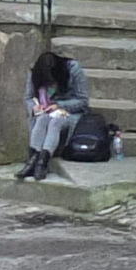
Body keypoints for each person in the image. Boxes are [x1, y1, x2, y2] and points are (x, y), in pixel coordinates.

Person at [21, 43, 84, 182]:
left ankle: (42, 162)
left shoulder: (73, 70)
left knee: (55, 122)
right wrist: (34, 107)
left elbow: (82, 101)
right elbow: (28, 98)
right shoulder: (35, 73)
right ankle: (32, 159)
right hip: (44, 112)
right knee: (42, 119)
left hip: (67, 112)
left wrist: (58, 105)